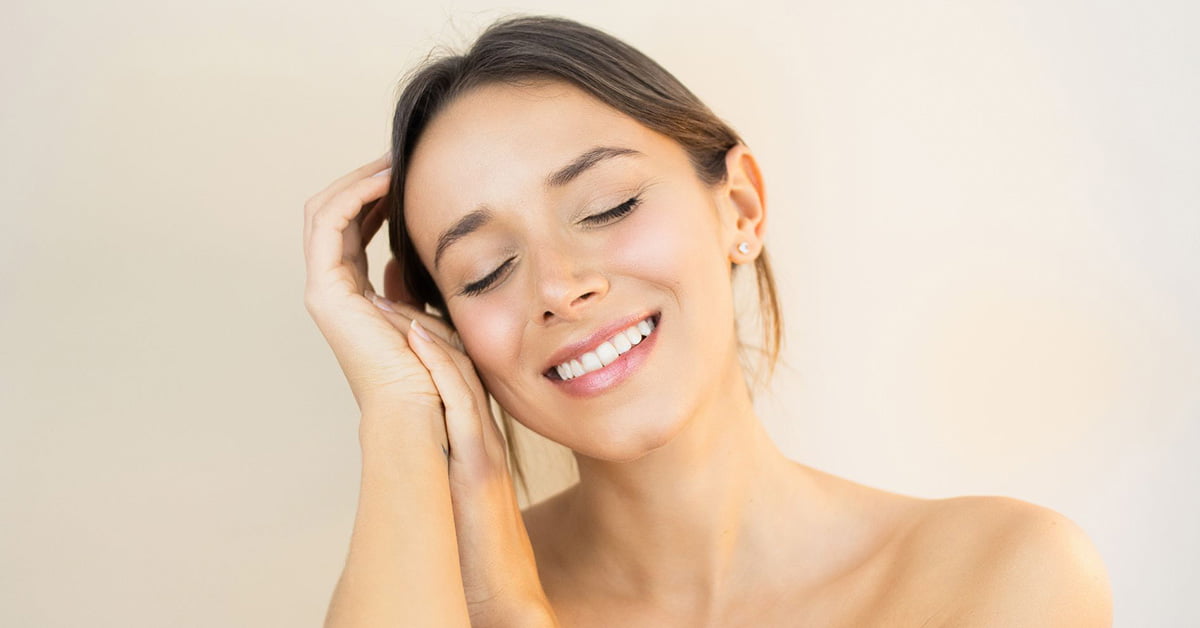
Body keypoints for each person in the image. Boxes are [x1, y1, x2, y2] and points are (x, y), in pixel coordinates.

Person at [302, 15, 1112, 627]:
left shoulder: (1002, 574)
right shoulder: (428, 601)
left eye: (608, 205)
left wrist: (516, 609)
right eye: (486, 272)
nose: (560, 287)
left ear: (741, 208)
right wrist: (401, 411)